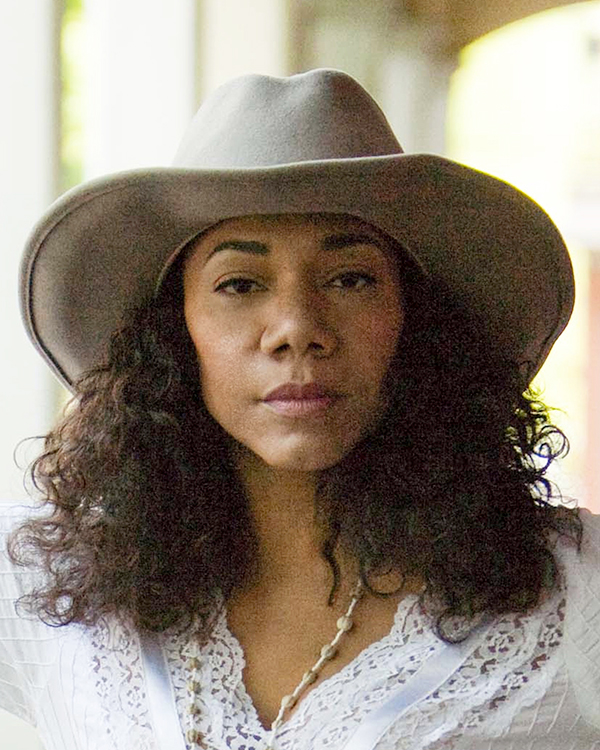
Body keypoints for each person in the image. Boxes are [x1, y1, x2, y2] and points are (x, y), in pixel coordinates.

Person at [1, 68, 599, 750]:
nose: (296, 326)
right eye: (239, 283)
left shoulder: (575, 596)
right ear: (173, 329)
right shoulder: (47, 581)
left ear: (417, 318)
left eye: (350, 278)